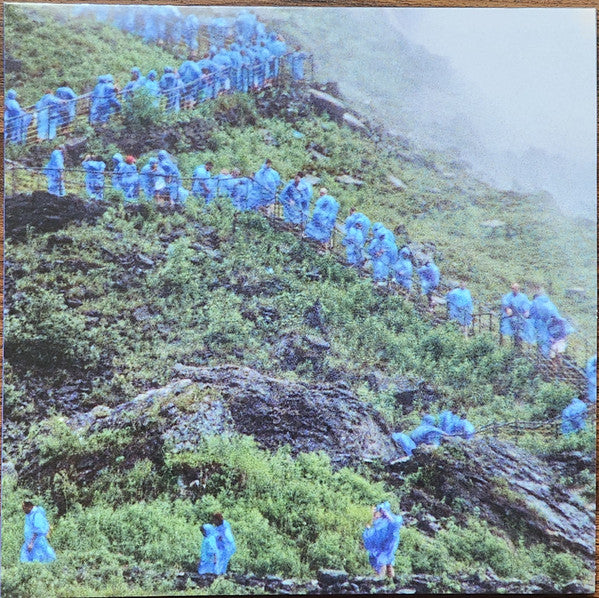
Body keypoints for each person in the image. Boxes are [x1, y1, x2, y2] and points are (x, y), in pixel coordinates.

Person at [362, 501, 402, 578]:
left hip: (386, 546)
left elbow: (395, 524)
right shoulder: (380, 522)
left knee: (383, 562)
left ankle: (382, 580)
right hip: (382, 547)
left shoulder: (386, 522)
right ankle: (388, 581)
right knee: (386, 563)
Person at [529, 291, 561, 358]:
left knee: (542, 339)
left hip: (541, 324)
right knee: (552, 340)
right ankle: (553, 356)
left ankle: (543, 356)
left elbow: (531, 314)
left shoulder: (535, 303)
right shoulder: (548, 302)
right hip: (553, 324)